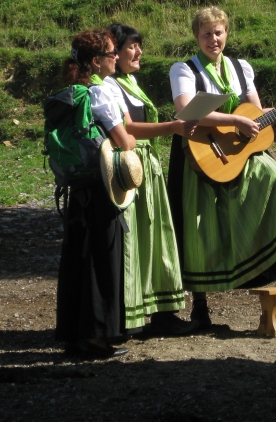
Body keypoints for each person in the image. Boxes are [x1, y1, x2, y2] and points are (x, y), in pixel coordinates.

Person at [167, 6, 276, 329]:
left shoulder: (240, 67)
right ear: (196, 37)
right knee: (200, 229)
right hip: (199, 152)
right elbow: (185, 111)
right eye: (206, 34)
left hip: (240, 151)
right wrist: (235, 120)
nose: (213, 39)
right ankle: (200, 305)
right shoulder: (183, 70)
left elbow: (257, 115)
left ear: (227, 33)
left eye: (218, 32)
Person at [105, 23, 199, 336]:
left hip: (147, 165)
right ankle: (129, 316)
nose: (139, 52)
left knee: (157, 235)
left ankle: (163, 313)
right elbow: (127, 128)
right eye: (131, 47)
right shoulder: (110, 86)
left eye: (138, 46)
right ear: (115, 53)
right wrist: (173, 127)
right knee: (134, 238)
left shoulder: (130, 81)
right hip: (129, 167)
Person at [54, 29, 137, 358]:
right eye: (111, 53)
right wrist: (130, 141)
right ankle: (96, 337)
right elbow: (124, 141)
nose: (116, 57)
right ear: (96, 61)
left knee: (78, 256)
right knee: (102, 258)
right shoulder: (99, 93)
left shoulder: (72, 92)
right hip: (102, 185)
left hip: (78, 185)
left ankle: (74, 334)